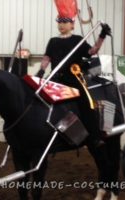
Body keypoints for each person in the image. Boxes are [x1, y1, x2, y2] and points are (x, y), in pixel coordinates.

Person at [35, 1, 111, 146]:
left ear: (72, 24)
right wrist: (40, 71)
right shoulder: (53, 41)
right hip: (55, 79)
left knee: (86, 104)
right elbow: (47, 58)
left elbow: (92, 51)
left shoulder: (78, 40)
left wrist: (102, 36)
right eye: (60, 22)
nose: (61, 25)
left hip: (73, 80)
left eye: (65, 22)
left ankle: (94, 136)